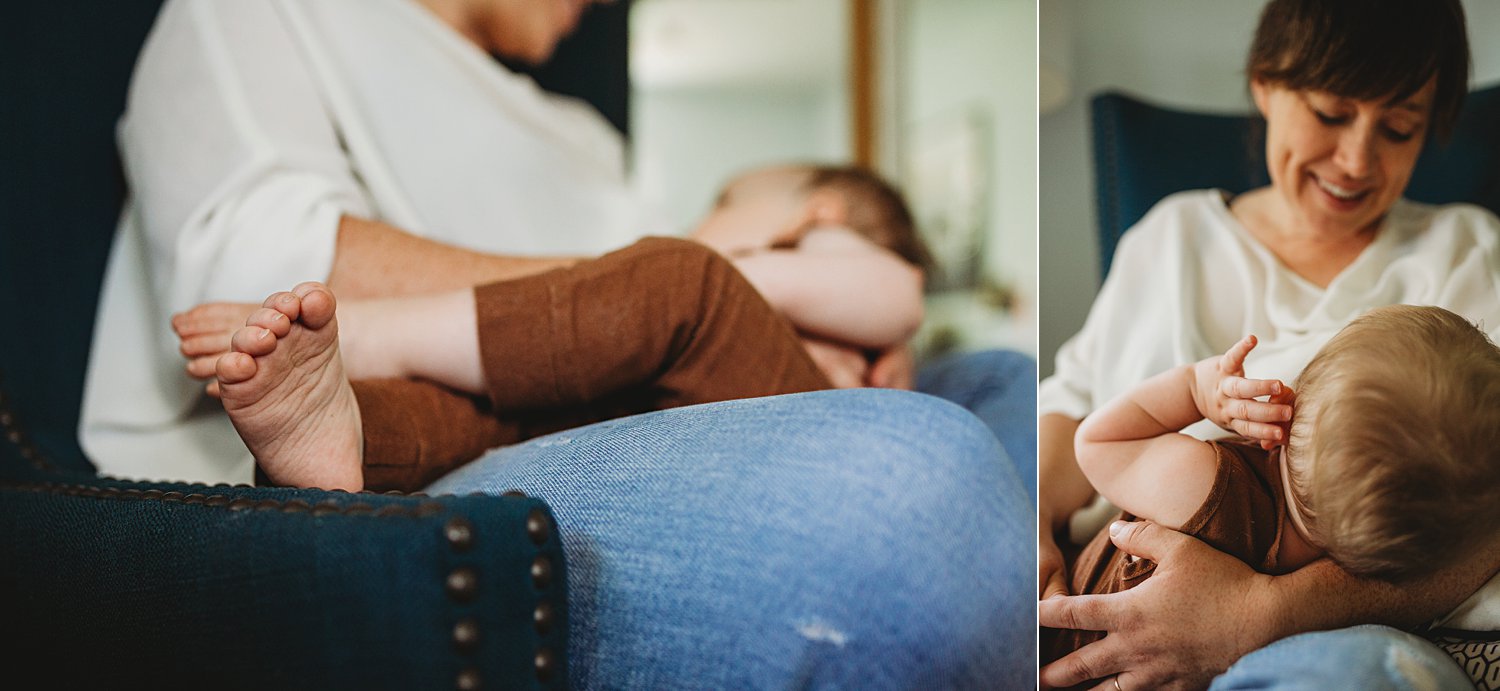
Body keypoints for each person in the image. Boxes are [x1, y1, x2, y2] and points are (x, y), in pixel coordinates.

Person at [80, 0, 1035, 686]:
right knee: (922, 483)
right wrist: (621, 301)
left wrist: (844, 362)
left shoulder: (582, 136)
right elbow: (256, 265)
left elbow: (677, 312)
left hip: (609, 397)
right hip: (474, 430)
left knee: (997, 381)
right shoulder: (261, 17)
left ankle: (1047, 586)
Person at [1038, 0, 1500, 688]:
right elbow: (1073, 405)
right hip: (1105, 595)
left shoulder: (1468, 250)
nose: (1357, 160)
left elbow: (1484, 508)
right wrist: (1031, 526)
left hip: (1347, 645)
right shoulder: (1173, 239)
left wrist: (1263, 613)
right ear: (1265, 84)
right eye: (1332, 113)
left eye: (1400, 128)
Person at [176, 162, 930, 490]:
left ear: (814, 211)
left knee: (682, 277)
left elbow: (899, 295)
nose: (707, 219)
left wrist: (730, 265)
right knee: (502, 414)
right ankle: (351, 436)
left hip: (798, 443)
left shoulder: (846, 256)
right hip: (674, 428)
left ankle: (375, 333)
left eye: (725, 197)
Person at [1042, 306, 1500, 677]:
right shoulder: (1365, 576)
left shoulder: (1205, 485)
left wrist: (1194, 391)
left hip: (1055, 651)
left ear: (1292, 407)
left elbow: (1098, 443)